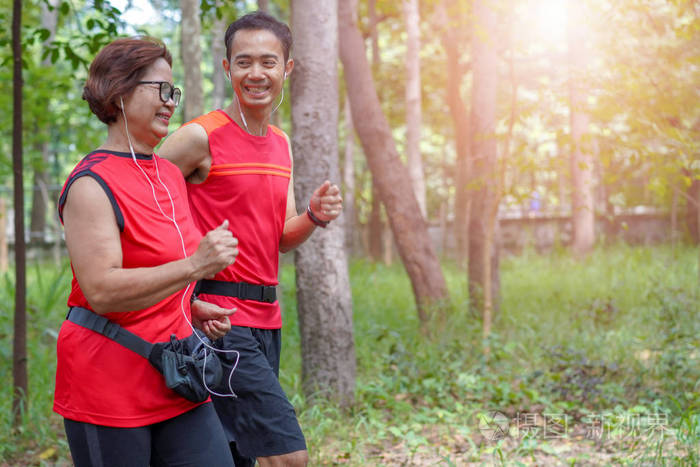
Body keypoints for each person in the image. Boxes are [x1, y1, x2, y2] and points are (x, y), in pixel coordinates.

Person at [158, 11, 343, 467]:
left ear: (287, 69)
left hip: (268, 320)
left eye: (268, 62)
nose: (256, 74)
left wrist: (313, 217)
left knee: (240, 454)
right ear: (226, 69)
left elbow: (279, 237)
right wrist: (184, 296)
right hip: (220, 320)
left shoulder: (280, 143)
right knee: (287, 455)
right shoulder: (200, 136)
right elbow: (139, 199)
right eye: (243, 62)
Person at [54, 37, 239, 467]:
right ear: (119, 92)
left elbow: (158, 268)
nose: (171, 102)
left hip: (176, 376)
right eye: (161, 90)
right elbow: (102, 290)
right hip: (108, 384)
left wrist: (188, 308)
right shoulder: (89, 184)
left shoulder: (169, 176)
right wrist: (195, 265)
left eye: (174, 92)